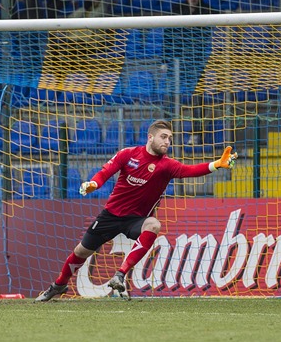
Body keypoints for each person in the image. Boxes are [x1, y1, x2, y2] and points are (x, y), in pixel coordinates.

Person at [35, 119, 238, 301]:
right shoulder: (128, 154)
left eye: (170, 138)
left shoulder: (167, 165)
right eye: (163, 137)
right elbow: (105, 172)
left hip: (136, 220)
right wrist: (94, 185)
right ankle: (58, 285)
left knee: (154, 224)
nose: (167, 142)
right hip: (111, 216)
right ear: (150, 137)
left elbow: (190, 171)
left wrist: (217, 164)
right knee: (81, 251)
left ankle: (120, 274)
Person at [166, 0, 217, 144]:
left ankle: (195, 133)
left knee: (197, 100)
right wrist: (165, 60)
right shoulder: (177, 10)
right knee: (172, 99)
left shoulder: (207, 11)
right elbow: (169, 35)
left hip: (198, 63)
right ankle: (169, 134)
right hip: (179, 63)